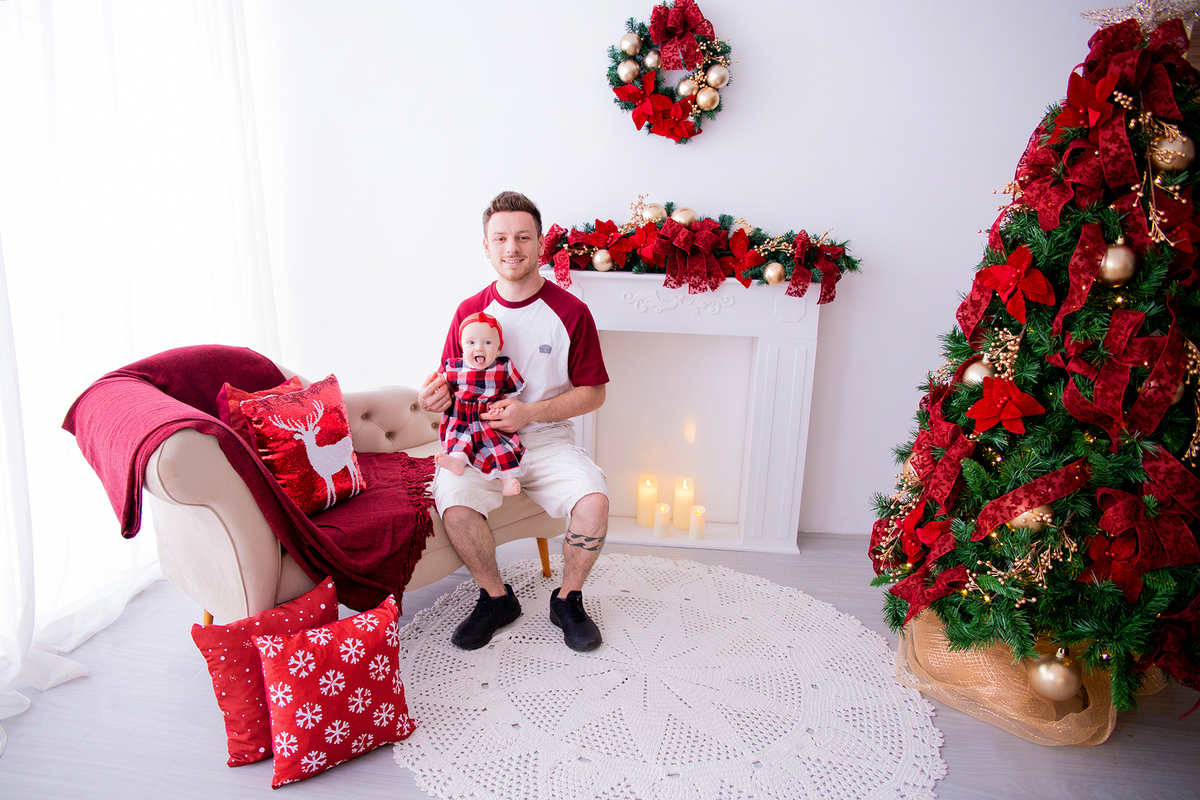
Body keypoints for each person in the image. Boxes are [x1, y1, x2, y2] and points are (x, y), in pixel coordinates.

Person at [418, 191, 610, 653]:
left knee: (594, 502)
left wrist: (529, 412)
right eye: (500, 237)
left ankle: (568, 599)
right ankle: (495, 597)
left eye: (523, 236)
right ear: (486, 246)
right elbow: (450, 384)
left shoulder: (570, 313)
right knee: (457, 505)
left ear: (541, 243)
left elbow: (594, 392)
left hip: (545, 439)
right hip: (477, 442)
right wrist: (433, 399)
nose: (512, 247)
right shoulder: (468, 312)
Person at [434, 312, 526, 497]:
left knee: (498, 449)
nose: (479, 348)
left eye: (487, 343)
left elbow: (513, 392)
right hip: (461, 417)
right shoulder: (453, 367)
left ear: (499, 349)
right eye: (471, 342)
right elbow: (440, 387)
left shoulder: (504, 367)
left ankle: (507, 480)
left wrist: (504, 406)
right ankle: (457, 462)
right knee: (460, 440)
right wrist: (434, 389)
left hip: (489, 420)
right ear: (461, 346)